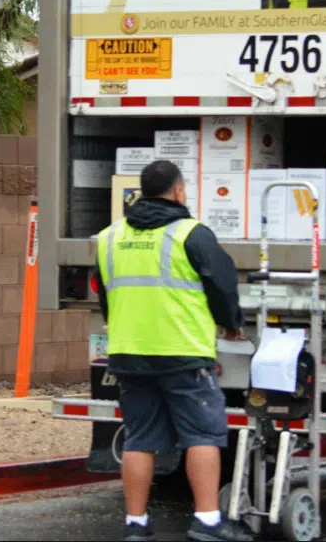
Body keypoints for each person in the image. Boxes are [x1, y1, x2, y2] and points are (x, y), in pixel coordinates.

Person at [93, 160, 251, 542]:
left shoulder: (108, 237)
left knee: (140, 437)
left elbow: (107, 296)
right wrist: (231, 323)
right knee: (202, 434)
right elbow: (222, 286)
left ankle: (136, 524)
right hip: (182, 352)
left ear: (142, 192)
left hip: (128, 352)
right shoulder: (192, 234)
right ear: (179, 191)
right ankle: (208, 521)